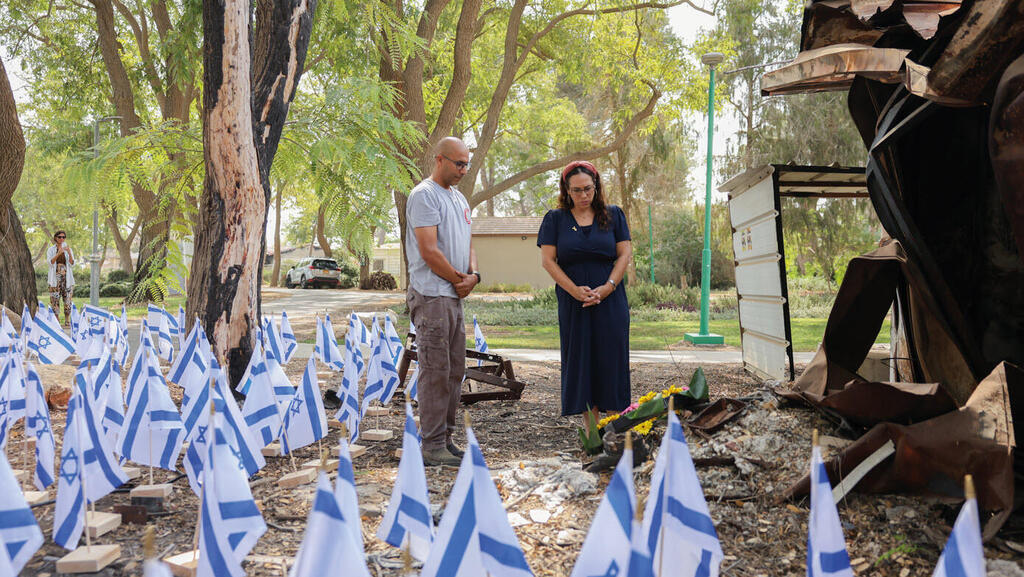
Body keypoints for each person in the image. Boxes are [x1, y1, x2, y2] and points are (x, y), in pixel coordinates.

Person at [538, 161, 632, 427]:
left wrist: (608, 287)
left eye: (588, 189)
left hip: (611, 300)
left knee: (611, 359)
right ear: (566, 190)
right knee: (581, 362)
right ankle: (591, 433)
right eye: (576, 190)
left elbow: (624, 254)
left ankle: (615, 429)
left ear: (597, 187)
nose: (583, 195)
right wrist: (575, 291)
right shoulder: (555, 219)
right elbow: (548, 261)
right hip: (573, 302)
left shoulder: (614, 215)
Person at [406, 136, 479, 466]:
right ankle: (432, 444)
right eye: (458, 163)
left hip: (453, 294)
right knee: (435, 370)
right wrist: (457, 280)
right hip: (432, 294)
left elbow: (468, 243)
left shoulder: (460, 199)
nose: (464, 169)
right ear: (440, 160)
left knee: (454, 370)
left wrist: (474, 276)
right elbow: (429, 250)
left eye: (467, 163)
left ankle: (445, 440)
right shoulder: (424, 196)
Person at [46, 230, 75, 326]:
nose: (62, 239)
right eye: (59, 237)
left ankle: (67, 319)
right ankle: (57, 320)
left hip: (67, 278)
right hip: (55, 278)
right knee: (55, 299)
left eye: (63, 237)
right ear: (55, 238)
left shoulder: (68, 249)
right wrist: (59, 253)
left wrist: (69, 252)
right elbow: (50, 263)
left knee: (67, 300)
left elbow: (72, 264)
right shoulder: (51, 250)